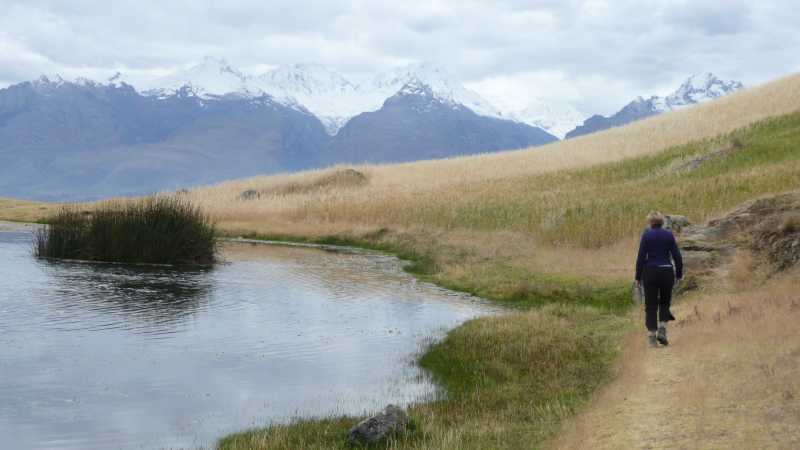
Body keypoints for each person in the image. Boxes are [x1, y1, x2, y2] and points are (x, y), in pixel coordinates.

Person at [635, 211, 683, 347]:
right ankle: (662, 328)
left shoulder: (646, 235)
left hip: (650, 272)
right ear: (662, 222)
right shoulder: (668, 235)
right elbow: (677, 257)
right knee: (664, 302)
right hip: (666, 271)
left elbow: (641, 258)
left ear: (650, 222)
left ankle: (652, 337)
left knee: (650, 305)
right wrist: (679, 274)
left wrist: (638, 277)